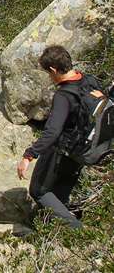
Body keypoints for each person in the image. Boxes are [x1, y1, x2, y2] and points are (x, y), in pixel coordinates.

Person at [17, 45, 104, 228]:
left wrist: (29, 155)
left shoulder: (64, 95)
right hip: (85, 149)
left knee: (38, 191)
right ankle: (51, 228)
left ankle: (76, 231)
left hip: (64, 150)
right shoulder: (89, 81)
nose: (50, 78)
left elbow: (52, 132)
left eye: (49, 74)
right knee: (60, 188)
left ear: (54, 70)